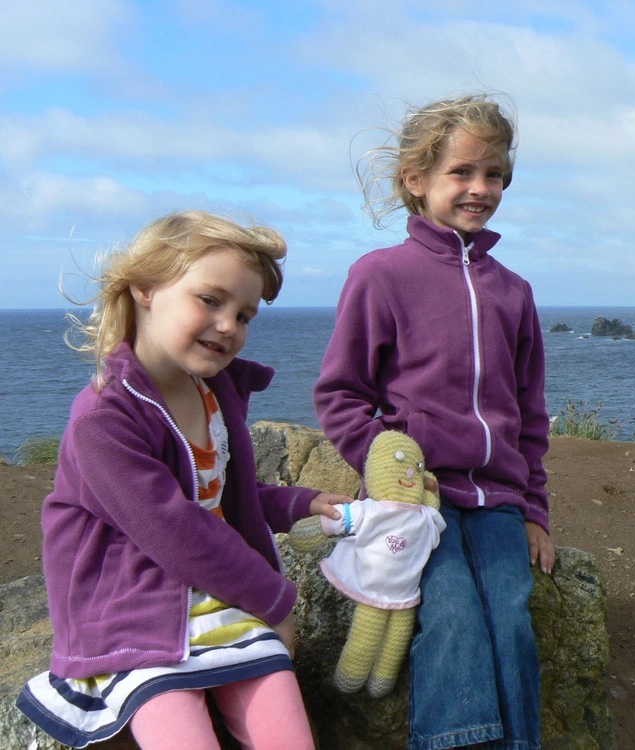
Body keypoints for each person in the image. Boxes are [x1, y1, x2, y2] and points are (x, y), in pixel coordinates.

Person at [16, 210, 350, 750]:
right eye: (210, 300)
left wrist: (297, 504)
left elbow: (216, 498)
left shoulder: (212, 393)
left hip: (217, 598)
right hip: (134, 617)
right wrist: (275, 600)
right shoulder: (104, 418)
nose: (229, 325)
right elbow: (175, 528)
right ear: (145, 288)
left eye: (244, 315)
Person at [313, 93, 556, 749]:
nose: (481, 188)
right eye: (462, 172)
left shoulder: (515, 292)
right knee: (451, 616)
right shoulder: (381, 276)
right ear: (416, 180)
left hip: (498, 499)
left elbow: (530, 414)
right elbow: (340, 395)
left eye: (495, 174)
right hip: (417, 503)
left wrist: (535, 510)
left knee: (510, 618)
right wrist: (391, 471)